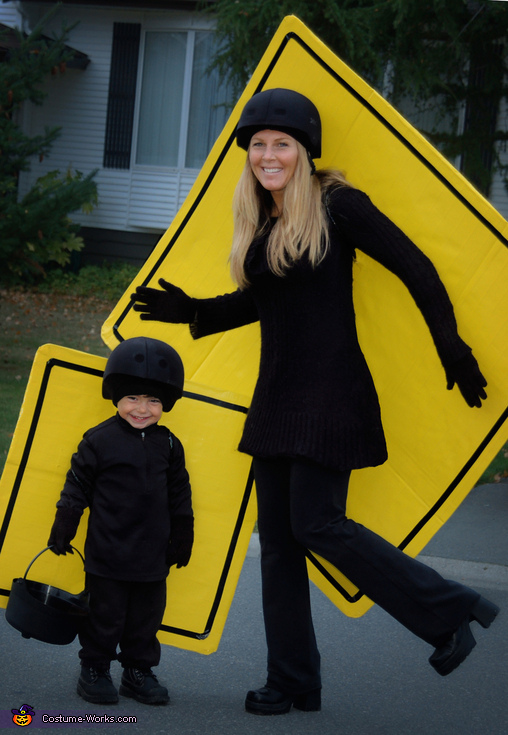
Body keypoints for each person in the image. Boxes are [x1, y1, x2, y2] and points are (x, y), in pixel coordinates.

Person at [130, 88, 498, 716]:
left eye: (281, 145)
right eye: (257, 145)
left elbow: (417, 267)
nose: (267, 155)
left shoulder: (338, 205)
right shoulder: (267, 219)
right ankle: (294, 679)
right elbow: (262, 302)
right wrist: (190, 311)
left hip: (330, 393)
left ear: (303, 151)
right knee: (277, 542)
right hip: (276, 397)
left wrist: (451, 347)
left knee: (317, 525)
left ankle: (448, 610)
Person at [48, 337, 194, 706]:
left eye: (153, 400)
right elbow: (77, 484)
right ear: (116, 398)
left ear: (166, 404)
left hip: (152, 555)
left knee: (145, 620)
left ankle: (137, 671)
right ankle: (94, 668)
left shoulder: (170, 446)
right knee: (104, 617)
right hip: (108, 552)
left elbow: (180, 492)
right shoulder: (98, 441)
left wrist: (183, 531)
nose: (142, 409)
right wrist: (65, 523)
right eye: (132, 398)